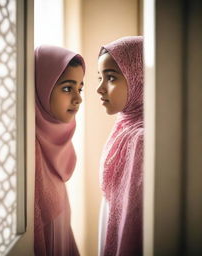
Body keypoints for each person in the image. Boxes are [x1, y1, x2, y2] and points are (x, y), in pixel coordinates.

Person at [34, 45, 85, 256]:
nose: (78, 98)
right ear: (42, 88)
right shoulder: (29, 150)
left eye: (80, 88)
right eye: (67, 88)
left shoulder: (58, 140)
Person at [97, 36, 143, 256]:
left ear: (139, 78)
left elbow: (134, 221)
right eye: (100, 77)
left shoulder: (141, 140)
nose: (99, 88)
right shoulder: (125, 125)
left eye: (111, 77)